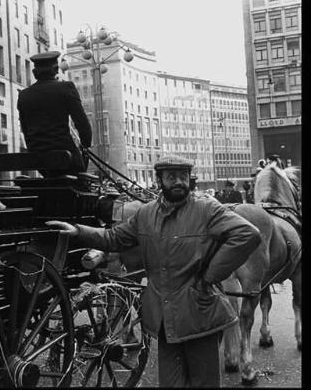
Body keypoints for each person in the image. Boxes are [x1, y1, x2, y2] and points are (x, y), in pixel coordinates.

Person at [46, 155, 262, 387]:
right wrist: (78, 232)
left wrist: (211, 275)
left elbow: (247, 234)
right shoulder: (146, 214)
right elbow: (113, 238)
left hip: (199, 314)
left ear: (190, 180)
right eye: (171, 177)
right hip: (164, 319)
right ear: (160, 180)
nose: (178, 182)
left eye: (183, 177)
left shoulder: (207, 209)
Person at [17, 51, 92, 177]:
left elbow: (25, 130)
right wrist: (85, 146)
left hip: (39, 161)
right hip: (66, 157)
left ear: (35, 73)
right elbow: (82, 123)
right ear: (56, 69)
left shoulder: (24, 95)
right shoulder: (66, 88)